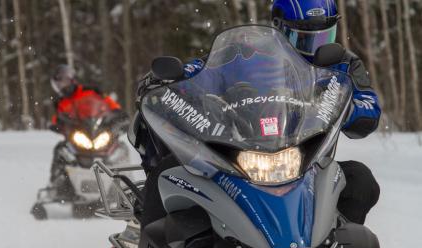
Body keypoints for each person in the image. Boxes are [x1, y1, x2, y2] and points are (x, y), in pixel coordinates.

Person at [132, 0, 380, 226]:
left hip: (309, 162)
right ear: (280, 29)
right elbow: (204, 68)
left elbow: (369, 105)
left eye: (325, 36)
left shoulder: (342, 64)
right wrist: (174, 78)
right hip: (241, 157)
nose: (314, 49)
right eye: (304, 38)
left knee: (361, 181)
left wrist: (348, 109)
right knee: (169, 173)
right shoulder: (250, 54)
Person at [48, 65, 124, 200]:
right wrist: (56, 125)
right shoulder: (61, 102)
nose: (62, 86)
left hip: (98, 130)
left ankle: (125, 184)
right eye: (58, 83)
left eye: (64, 81)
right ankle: (58, 186)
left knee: (120, 149)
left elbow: (110, 105)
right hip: (77, 134)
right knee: (61, 150)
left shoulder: (90, 91)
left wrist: (117, 116)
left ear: (71, 79)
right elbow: (57, 119)